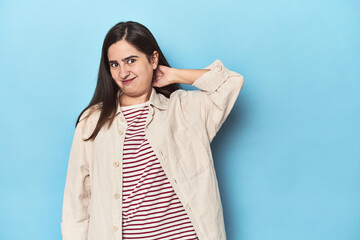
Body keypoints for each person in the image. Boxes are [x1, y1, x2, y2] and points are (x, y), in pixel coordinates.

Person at [61, 20, 245, 240]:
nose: (123, 72)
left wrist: (174, 75)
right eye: (114, 64)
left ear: (153, 58)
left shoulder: (185, 109)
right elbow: (76, 204)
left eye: (131, 60)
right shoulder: (92, 122)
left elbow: (231, 82)